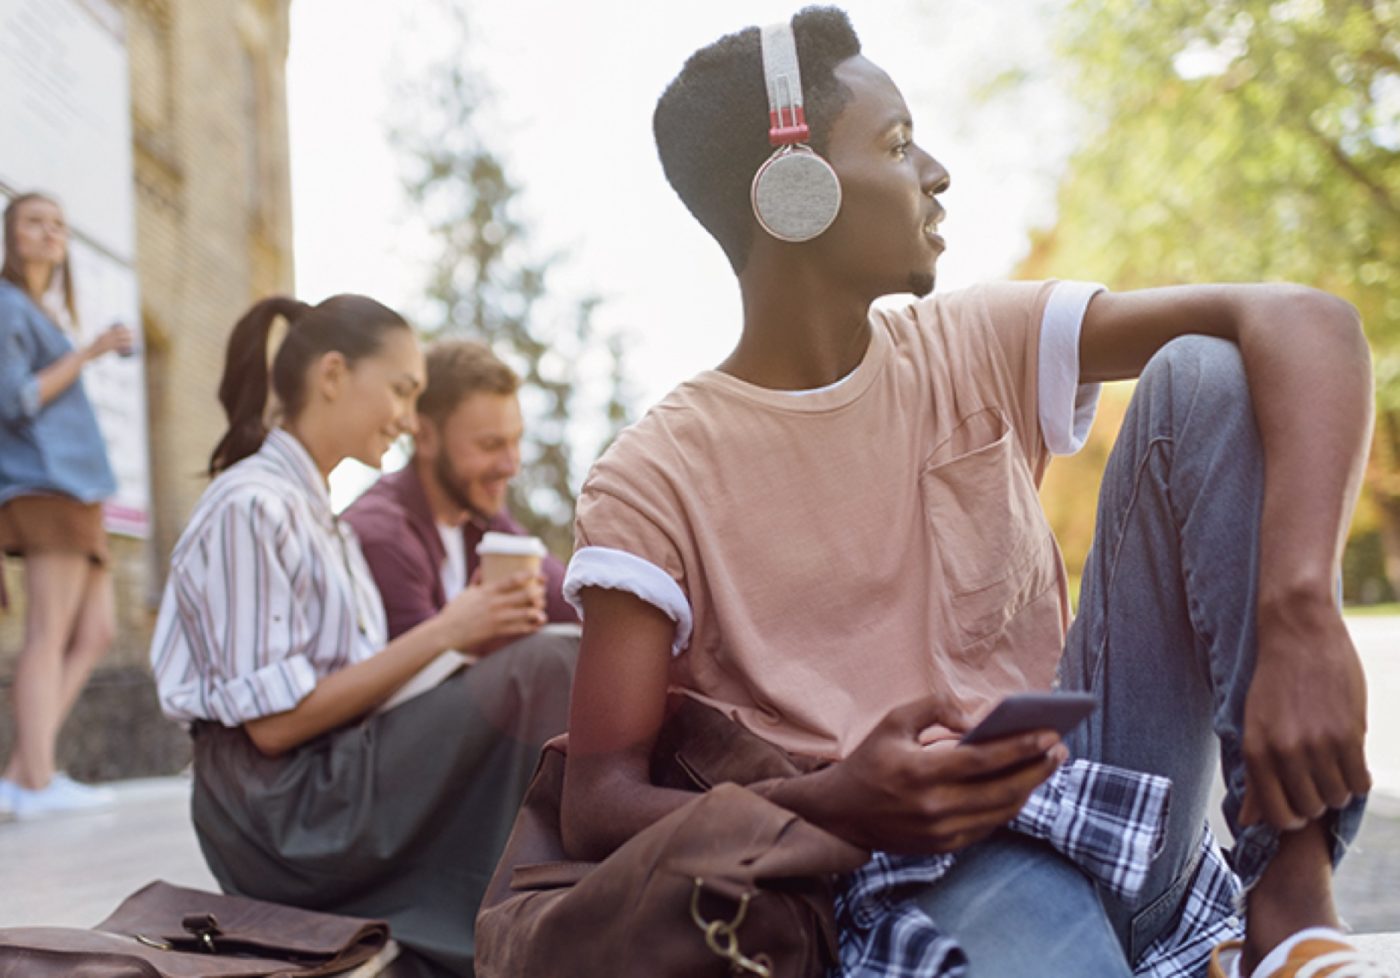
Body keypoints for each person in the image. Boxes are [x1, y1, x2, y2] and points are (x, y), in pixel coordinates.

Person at [557, 9, 1384, 978]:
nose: (934, 172)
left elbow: (1300, 320)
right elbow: (596, 801)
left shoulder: (974, 342)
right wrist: (830, 804)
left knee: (1209, 371)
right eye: (897, 144)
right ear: (792, 187)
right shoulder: (650, 476)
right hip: (894, 878)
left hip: (1107, 804)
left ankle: (1287, 911)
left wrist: (1298, 613)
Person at [149, 295, 576, 978]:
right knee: (544, 665)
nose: (408, 419)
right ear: (333, 375)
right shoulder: (252, 506)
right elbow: (274, 727)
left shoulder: (325, 523)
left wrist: (460, 650)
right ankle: (510, 926)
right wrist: (450, 630)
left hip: (323, 777)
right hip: (276, 814)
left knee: (551, 659)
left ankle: (519, 912)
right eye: (402, 392)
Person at [0, 192, 133, 820]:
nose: (49, 232)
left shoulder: (41, 312)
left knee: (97, 630)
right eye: (34, 221)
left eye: (58, 224)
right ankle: (35, 781)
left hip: (79, 489)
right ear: (11, 235)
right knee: (48, 633)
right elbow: (16, 400)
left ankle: (24, 773)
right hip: (45, 484)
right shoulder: (6, 305)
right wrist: (88, 353)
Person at [344, 339, 577, 640]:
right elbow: (421, 681)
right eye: (490, 445)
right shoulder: (385, 534)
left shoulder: (482, 519)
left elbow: (575, 608)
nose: (510, 466)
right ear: (425, 436)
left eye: (516, 441)